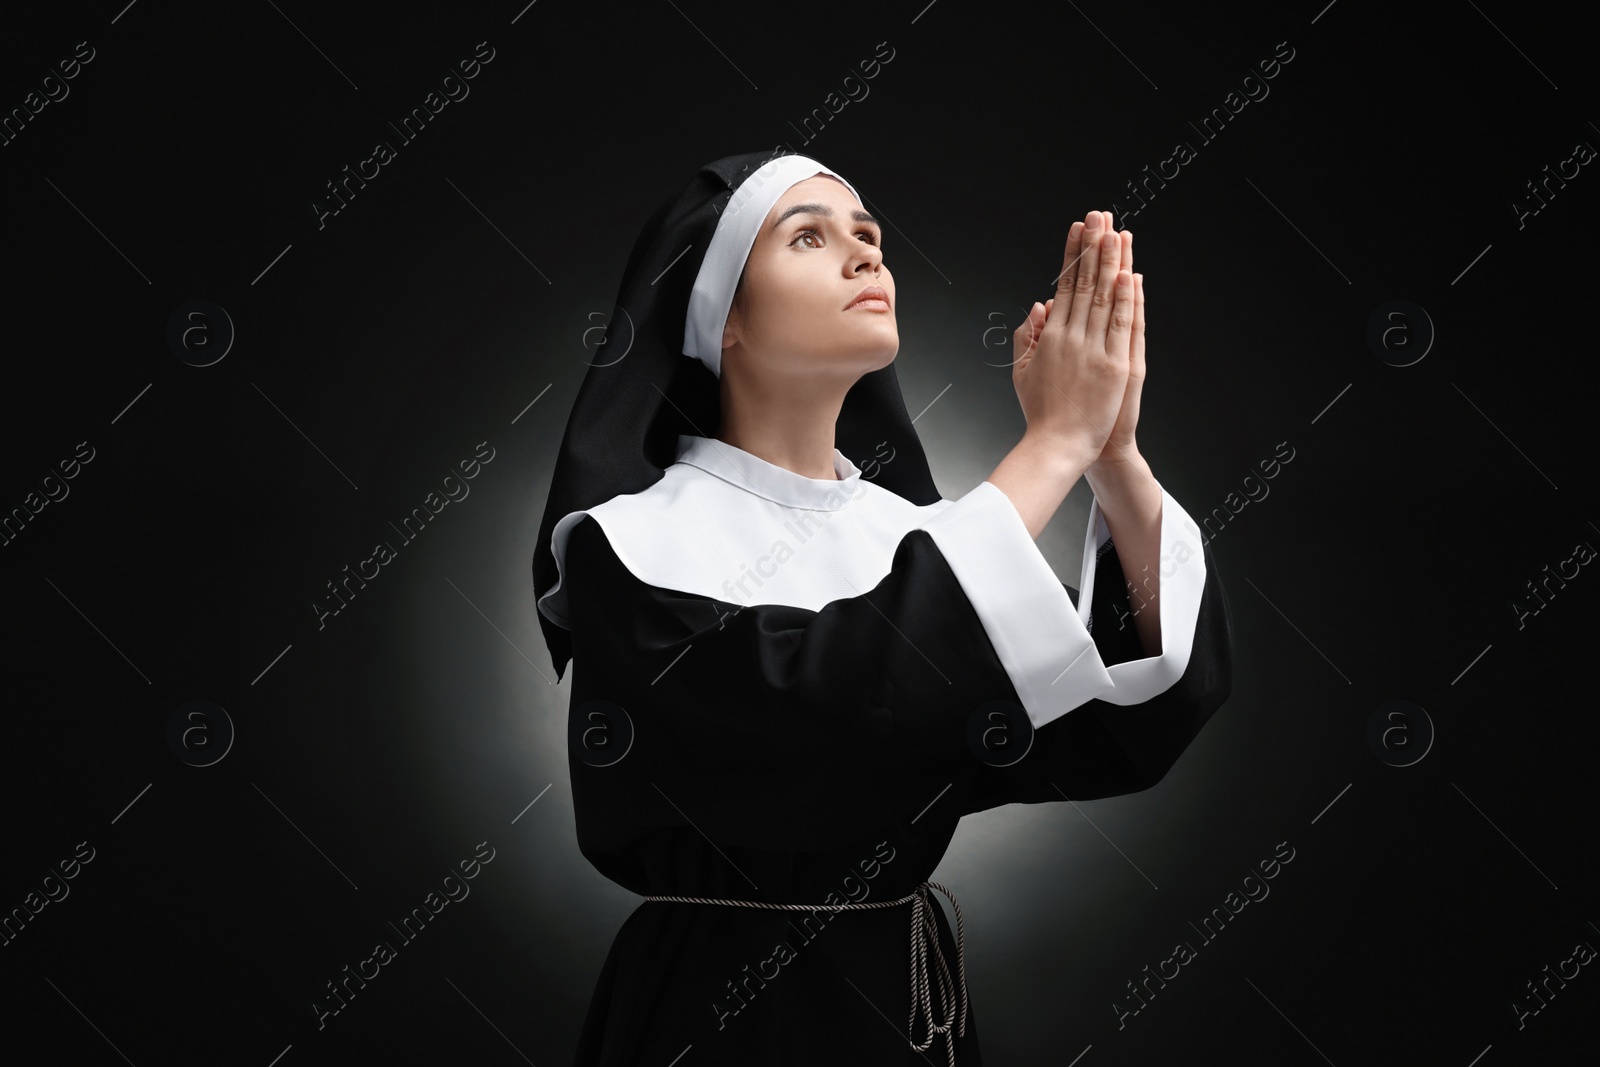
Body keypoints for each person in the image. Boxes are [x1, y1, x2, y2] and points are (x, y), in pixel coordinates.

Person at [532, 149, 1234, 1066]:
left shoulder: (914, 537)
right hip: (715, 1015)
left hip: (906, 1014)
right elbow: (820, 711)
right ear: (722, 318)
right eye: (810, 237)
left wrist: (1111, 455)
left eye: (869, 237)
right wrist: (1052, 442)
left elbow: (1117, 722)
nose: (866, 255)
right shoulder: (623, 543)